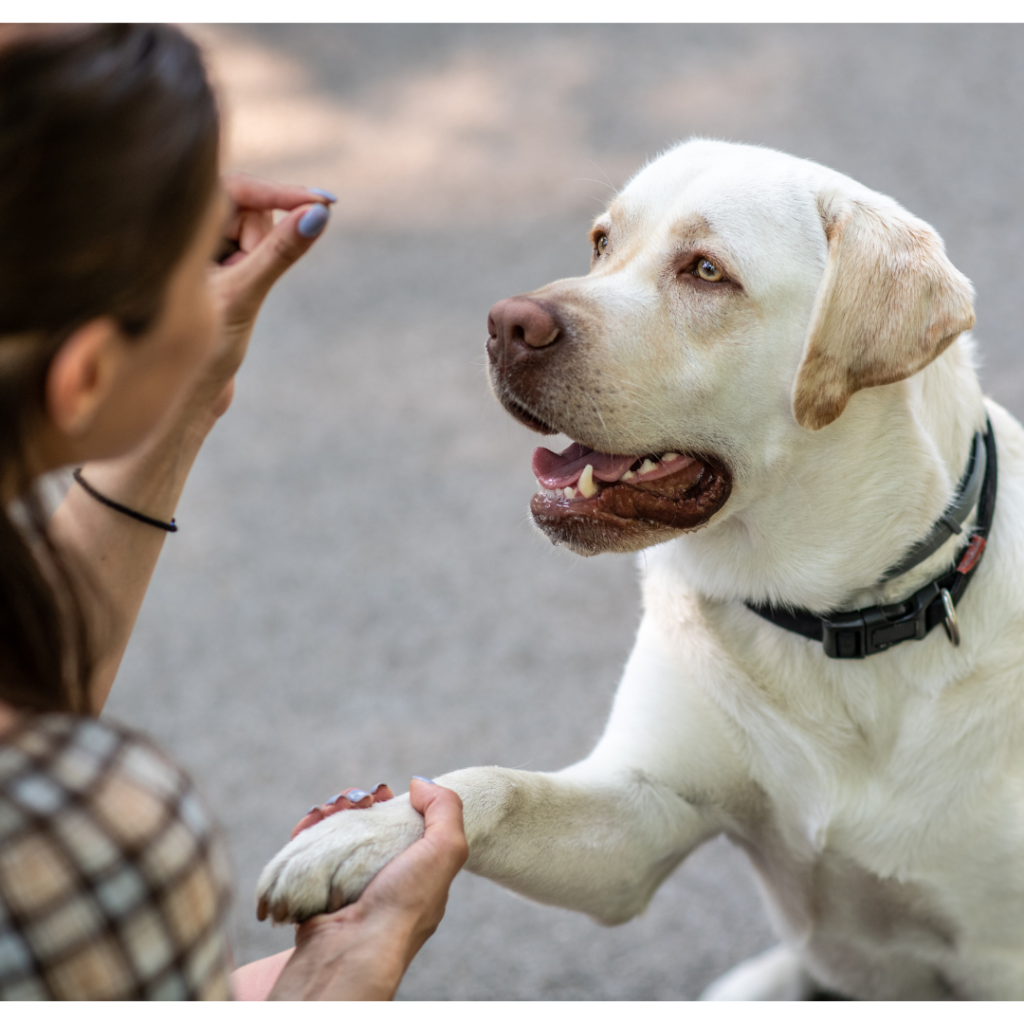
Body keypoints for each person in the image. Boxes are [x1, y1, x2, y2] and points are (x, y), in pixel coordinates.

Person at [0, 23, 468, 1000]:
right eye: (186, 258)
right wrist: (340, 975)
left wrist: (181, 400)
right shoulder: (86, 836)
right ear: (85, 373)